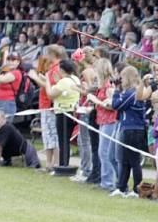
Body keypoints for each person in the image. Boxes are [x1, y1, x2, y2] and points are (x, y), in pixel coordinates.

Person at [32, 59, 81, 177]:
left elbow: (50, 94)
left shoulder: (64, 81)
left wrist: (48, 80)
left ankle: (63, 165)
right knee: (65, 140)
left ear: (62, 70)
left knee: (62, 140)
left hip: (63, 112)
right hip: (71, 111)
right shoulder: (75, 79)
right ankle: (64, 164)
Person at [110, 66, 151, 198]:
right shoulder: (132, 92)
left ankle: (136, 189)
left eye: (121, 78)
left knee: (134, 161)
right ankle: (121, 188)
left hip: (133, 130)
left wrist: (116, 91)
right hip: (129, 128)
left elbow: (117, 105)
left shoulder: (132, 93)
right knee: (125, 161)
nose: (120, 81)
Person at [86, 58, 118, 191]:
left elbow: (112, 106)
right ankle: (106, 181)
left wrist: (96, 101)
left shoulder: (109, 87)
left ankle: (108, 182)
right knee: (103, 152)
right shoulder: (102, 86)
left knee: (104, 152)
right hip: (102, 120)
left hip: (110, 121)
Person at [0, 51, 22, 123]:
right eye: (8, 59)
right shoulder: (6, 72)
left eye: (13, 60)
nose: (10, 61)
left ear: (18, 62)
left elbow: (1, 79)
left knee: (3, 127)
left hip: (6, 103)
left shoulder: (16, 72)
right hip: (1, 102)